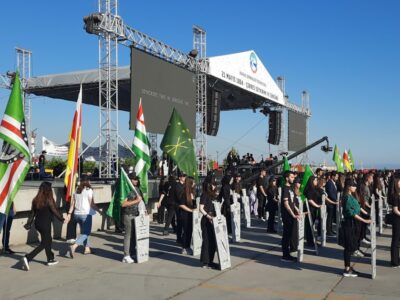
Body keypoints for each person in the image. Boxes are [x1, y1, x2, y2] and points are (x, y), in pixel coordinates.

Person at [21, 182, 66, 271]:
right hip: (45, 224)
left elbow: (32, 213)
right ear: (48, 190)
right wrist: (62, 219)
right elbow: (54, 210)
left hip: (38, 224)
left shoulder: (36, 199)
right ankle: (28, 257)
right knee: (45, 243)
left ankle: (50, 259)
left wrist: (29, 224)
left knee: (47, 240)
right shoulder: (49, 199)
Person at [342, 179, 372, 277]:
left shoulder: (352, 196)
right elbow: (352, 213)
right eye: (353, 186)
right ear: (348, 187)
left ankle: (348, 267)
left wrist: (367, 214)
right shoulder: (346, 197)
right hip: (349, 223)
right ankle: (347, 269)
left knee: (351, 246)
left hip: (353, 223)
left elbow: (358, 207)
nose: (355, 187)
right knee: (348, 247)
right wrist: (365, 220)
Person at [67, 180, 99, 257]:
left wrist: (69, 214)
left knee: (84, 232)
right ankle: (74, 246)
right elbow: (92, 204)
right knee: (86, 233)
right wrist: (99, 211)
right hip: (85, 214)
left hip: (76, 214)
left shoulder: (76, 190)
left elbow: (73, 204)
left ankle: (87, 249)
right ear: (87, 182)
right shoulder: (89, 190)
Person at [121, 173, 143, 263]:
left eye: (136, 179)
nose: (136, 181)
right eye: (134, 179)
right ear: (129, 180)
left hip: (136, 215)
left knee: (134, 236)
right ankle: (126, 255)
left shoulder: (137, 189)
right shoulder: (126, 189)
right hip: (128, 215)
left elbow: (141, 202)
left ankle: (132, 253)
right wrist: (136, 201)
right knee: (128, 235)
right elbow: (123, 204)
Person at [281, 171, 300, 262]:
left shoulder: (291, 188)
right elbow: (286, 204)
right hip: (287, 215)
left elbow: (292, 202)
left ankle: (288, 253)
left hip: (292, 214)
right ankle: (285, 255)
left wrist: (298, 211)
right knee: (286, 235)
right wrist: (293, 214)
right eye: (291, 177)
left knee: (290, 234)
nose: (293, 179)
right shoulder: (285, 188)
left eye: (293, 177)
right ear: (287, 178)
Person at [199, 178, 218, 269]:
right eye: (213, 184)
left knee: (213, 241)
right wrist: (208, 216)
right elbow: (201, 208)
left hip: (213, 219)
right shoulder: (205, 194)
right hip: (206, 220)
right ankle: (205, 262)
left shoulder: (213, 195)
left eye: (215, 184)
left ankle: (210, 260)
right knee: (207, 241)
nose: (214, 186)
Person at [179, 177, 195, 254]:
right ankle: (184, 247)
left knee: (190, 231)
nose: (194, 184)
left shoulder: (192, 192)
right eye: (193, 183)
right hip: (185, 215)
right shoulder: (184, 193)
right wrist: (191, 210)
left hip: (191, 215)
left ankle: (188, 246)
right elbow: (181, 205)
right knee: (186, 231)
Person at [304, 176, 321, 247]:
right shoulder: (310, 189)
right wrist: (317, 206)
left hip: (314, 209)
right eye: (315, 180)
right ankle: (309, 241)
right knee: (309, 225)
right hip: (310, 209)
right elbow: (310, 200)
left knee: (311, 225)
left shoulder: (315, 188)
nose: (316, 182)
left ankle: (311, 241)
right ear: (312, 181)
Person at [390, 177, 400, 267]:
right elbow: (395, 210)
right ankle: (394, 261)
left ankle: (397, 258)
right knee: (396, 240)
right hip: (397, 220)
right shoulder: (395, 195)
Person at [325, 172, 339, 236]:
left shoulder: (333, 183)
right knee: (329, 217)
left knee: (331, 218)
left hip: (333, 203)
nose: (337, 178)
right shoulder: (329, 183)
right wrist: (336, 200)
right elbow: (330, 193)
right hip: (330, 203)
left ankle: (331, 230)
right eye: (336, 177)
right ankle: (329, 231)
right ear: (332, 176)